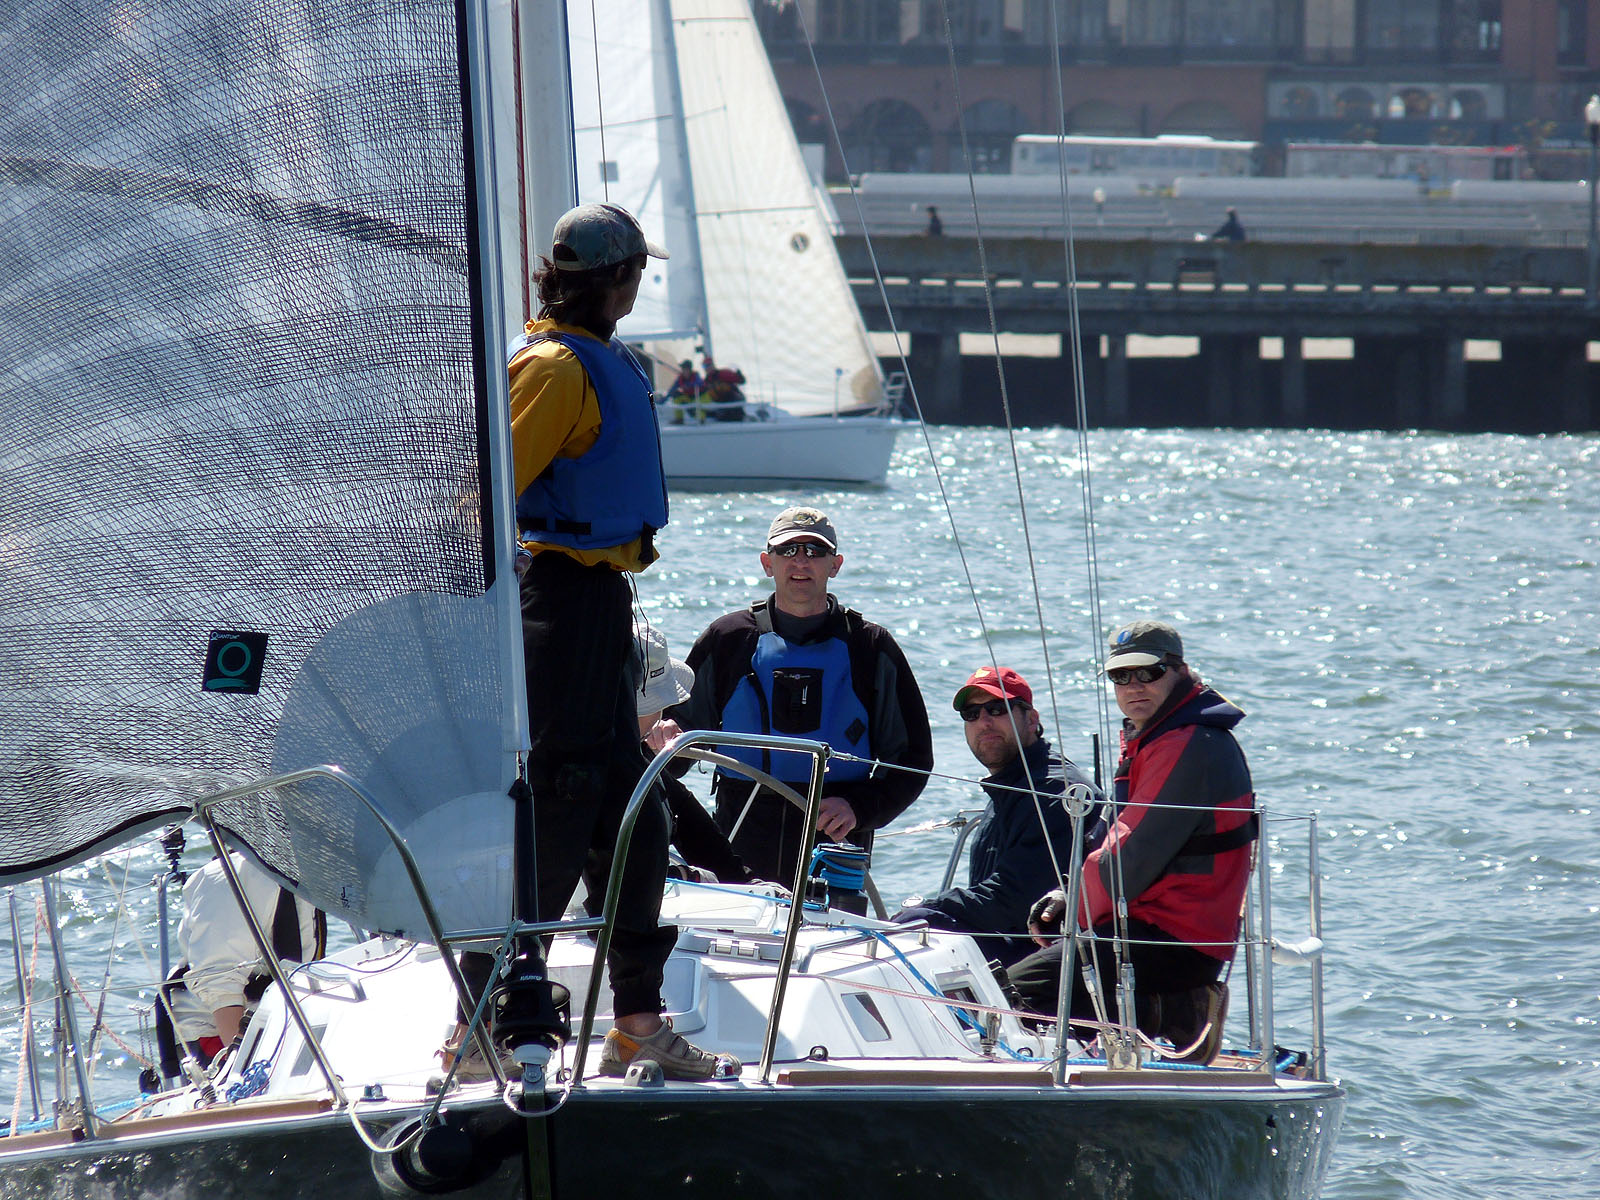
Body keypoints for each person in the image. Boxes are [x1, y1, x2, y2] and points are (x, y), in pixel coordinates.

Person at [446, 201, 736, 1084]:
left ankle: (637, 1023)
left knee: (637, 815)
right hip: (558, 606)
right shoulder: (554, 366)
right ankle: (477, 1030)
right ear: (615, 281)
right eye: (636, 274)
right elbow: (483, 493)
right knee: (557, 810)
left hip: (599, 604)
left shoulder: (594, 360)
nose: (638, 288)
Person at [1005, 620, 1257, 1065]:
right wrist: (1067, 896)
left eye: (1148, 672)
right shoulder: (1161, 737)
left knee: (1015, 991)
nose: (1133, 685)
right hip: (1150, 926)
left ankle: (1181, 1013)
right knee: (1017, 978)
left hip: (1178, 940)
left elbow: (1130, 858)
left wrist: (1074, 913)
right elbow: (1116, 841)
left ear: (1179, 671)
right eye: (1120, 675)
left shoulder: (1190, 744)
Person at [670, 506, 933, 886]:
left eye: (815, 551)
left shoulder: (871, 647)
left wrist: (859, 807)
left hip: (835, 842)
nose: (801, 561)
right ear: (767, 563)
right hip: (739, 841)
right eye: (788, 550)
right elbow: (677, 739)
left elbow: (913, 761)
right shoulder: (728, 639)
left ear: (835, 565)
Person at [890, 667, 1099, 968]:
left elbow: (1013, 901)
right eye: (971, 714)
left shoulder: (1053, 790)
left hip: (1043, 952)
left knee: (916, 926)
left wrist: (930, 907)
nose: (983, 722)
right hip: (1006, 938)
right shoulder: (1011, 786)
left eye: (997, 709)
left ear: (1032, 719)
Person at [158, 852, 324, 1071]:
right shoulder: (228, 877)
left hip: (279, 1021)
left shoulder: (297, 874)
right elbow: (221, 989)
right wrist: (243, 1071)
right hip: (220, 1041)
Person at [633, 622, 755, 885]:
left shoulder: (638, 762)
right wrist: (687, 875)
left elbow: (686, 816)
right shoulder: (611, 767)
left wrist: (745, 883)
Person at [699, 353, 746, 422]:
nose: (707, 368)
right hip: (720, 404)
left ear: (712, 365)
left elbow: (740, 380)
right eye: (704, 366)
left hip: (733, 400)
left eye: (708, 365)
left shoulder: (723, 373)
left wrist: (739, 376)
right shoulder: (706, 381)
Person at [663, 359, 703, 425]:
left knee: (700, 408)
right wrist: (664, 399)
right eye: (683, 368)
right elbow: (672, 389)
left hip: (698, 399)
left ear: (689, 369)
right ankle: (679, 419)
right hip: (688, 399)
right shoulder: (680, 378)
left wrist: (689, 385)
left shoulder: (695, 376)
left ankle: (701, 418)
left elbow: (700, 383)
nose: (683, 370)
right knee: (676, 396)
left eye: (684, 368)